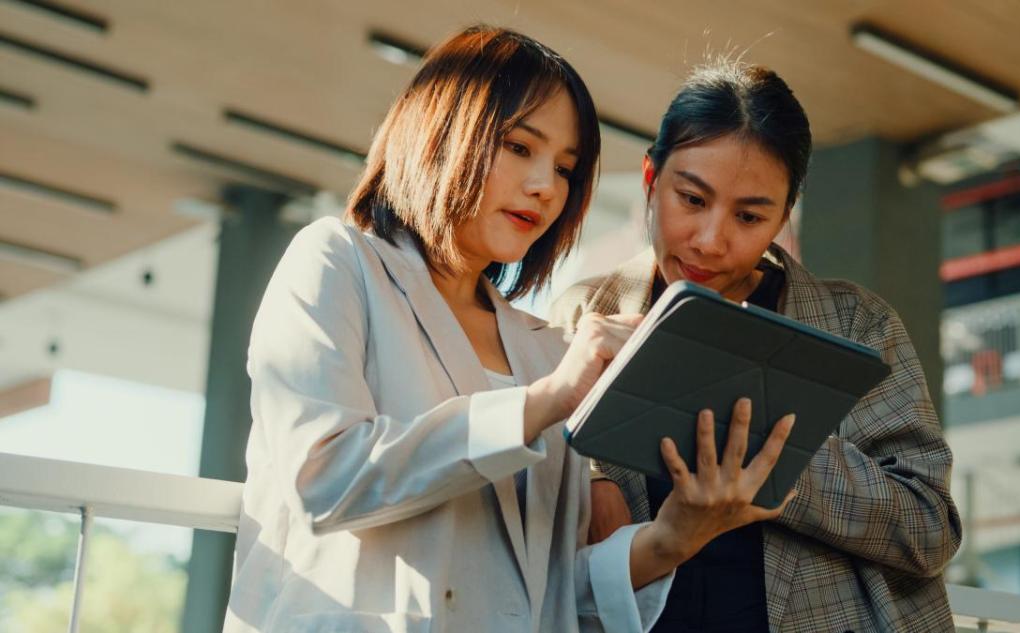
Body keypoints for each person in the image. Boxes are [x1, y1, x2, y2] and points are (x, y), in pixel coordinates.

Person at [223, 26, 796, 633]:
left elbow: (554, 589)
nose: (546, 187)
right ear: (442, 130)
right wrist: (543, 403)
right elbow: (323, 480)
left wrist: (676, 535)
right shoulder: (338, 262)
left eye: (566, 169)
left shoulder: (545, 347)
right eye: (520, 148)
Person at [550, 61, 962, 633]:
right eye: (691, 199)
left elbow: (929, 529)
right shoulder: (581, 315)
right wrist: (590, 472)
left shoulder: (859, 325)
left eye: (749, 215)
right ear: (650, 178)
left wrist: (774, 459)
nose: (711, 240)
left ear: (783, 215)